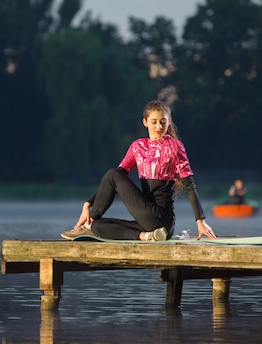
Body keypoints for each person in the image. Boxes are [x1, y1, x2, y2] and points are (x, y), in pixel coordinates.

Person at [61, 100, 217, 241]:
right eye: (154, 122)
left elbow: (189, 185)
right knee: (98, 226)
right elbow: (114, 179)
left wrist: (201, 221)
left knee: (112, 175)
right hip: (150, 224)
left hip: (161, 219)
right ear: (145, 122)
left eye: (163, 122)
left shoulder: (174, 147)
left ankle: (89, 222)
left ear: (169, 122)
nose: (159, 127)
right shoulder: (138, 147)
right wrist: (88, 203)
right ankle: (145, 236)